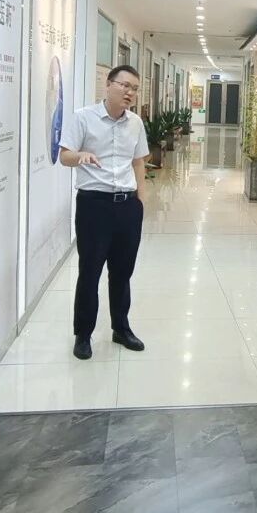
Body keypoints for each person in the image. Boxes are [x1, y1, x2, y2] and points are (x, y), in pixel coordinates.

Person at [58, 65, 150, 360]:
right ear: (108, 85)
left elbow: (139, 162)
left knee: (122, 272)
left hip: (127, 206)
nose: (130, 92)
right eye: (125, 85)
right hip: (94, 206)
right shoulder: (83, 117)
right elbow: (64, 156)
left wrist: (140, 202)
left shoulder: (135, 123)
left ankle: (121, 328)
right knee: (90, 271)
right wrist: (80, 155)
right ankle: (83, 334)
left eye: (134, 89)